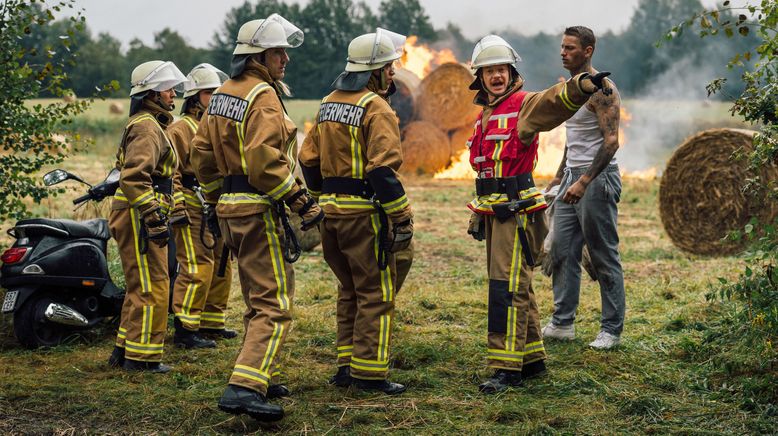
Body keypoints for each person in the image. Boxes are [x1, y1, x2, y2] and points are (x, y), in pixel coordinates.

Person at [190, 14, 323, 422]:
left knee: (254, 301)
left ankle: (260, 373)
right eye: (278, 51)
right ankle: (243, 389)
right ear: (258, 57)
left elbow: (200, 155)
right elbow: (266, 163)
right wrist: (301, 201)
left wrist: (216, 201)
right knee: (274, 303)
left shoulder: (225, 93)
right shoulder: (262, 95)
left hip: (231, 210)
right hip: (260, 210)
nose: (285, 58)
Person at [465, 35, 611, 393]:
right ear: (479, 78)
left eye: (501, 70)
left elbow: (554, 101)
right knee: (519, 285)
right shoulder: (485, 116)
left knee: (506, 287)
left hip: (515, 213)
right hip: (495, 210)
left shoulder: (522, 105)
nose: (496, 76)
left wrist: (582, 84)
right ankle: (531, 360)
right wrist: (477, 213)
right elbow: (486, 172)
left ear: (511, 72)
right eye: (489, 71)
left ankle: (506, 368)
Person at [299, 28, 413, 395]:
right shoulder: (376, 107)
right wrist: (401, 217)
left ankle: (346, 366)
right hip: (364, 216)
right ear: (373, 71)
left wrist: (323, 196)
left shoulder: (328, 102)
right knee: (376, 294)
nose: (394, 73)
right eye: (389, 67)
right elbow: (382, 170)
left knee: (348, 290)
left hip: (331, 215)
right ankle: (370, 375)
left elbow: (308, 159)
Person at [542, 26, 625, 350]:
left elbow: (611, 142)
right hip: (571, 178)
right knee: (561, 249)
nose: (563, 52)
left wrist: (584, 180)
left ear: (587, 51)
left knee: (603, 254)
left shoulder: (602, 90)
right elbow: (573, 140)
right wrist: (559, 176)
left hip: (597, 179)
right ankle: (563, 324)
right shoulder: (571, 89)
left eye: (571, 48)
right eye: (562, 47)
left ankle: (611, 329)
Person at [106, 60, 187, 373]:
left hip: (137, 214)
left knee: (140, 284)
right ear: (151, 93)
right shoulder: (147, 127)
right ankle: (143, 359)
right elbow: (135, 177)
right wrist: (152, 216)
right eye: (167, 88)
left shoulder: (151, 124)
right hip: (137, 216)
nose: (172, 93)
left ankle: (124, 349)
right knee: (152, 285)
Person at [167, 63, 235, 349]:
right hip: (193, 203)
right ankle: (186, 328)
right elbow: (171, 172)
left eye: (217, 92)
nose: (215, 96)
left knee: (222, 263)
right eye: (209, 92)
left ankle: (212, 322)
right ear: (195, 97)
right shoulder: (181, 128)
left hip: (216, 202)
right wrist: (179, 205)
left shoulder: (215, 124)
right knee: (198, 265)